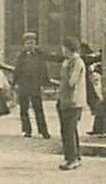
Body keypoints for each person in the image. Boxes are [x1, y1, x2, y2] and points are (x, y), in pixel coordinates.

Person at [11, 31, 50, 139]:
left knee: (38, 108)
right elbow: (17, 70)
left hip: (35, 86)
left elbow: (43, 68)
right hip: (23, 85)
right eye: (27, 43)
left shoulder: (39, 55)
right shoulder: (21, 56)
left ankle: (43, 131)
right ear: (24, 45)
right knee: (24, 109)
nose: (30, 45)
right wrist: (14, 83)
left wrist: (45, 81)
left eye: (32, 43)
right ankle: (27, 130)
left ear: (35, 43)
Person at [56, 36, 86, 170]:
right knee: (68, 129)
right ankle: (74, 156)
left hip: (73, 101)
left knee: (68, 130)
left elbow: (71, 82)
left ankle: (72, 158)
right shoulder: (69, 61)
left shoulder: (76, 62)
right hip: (66, 100)